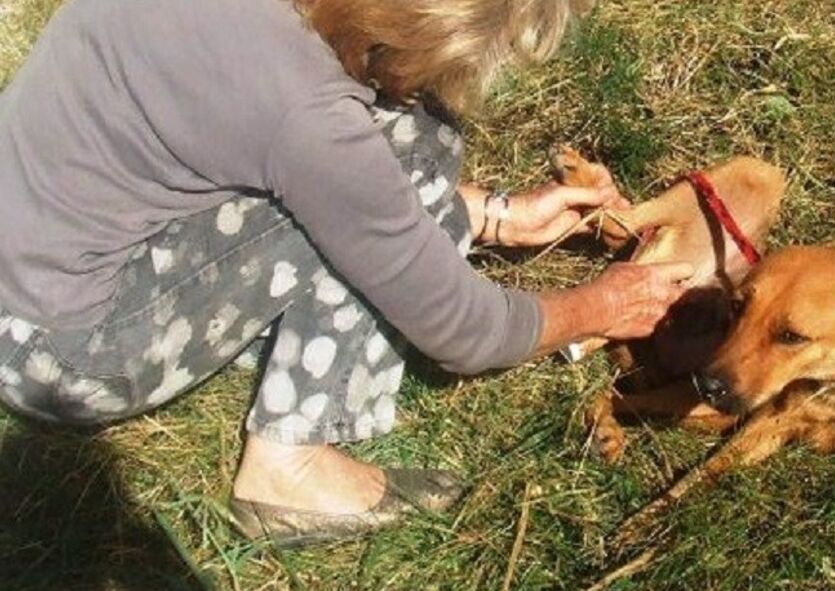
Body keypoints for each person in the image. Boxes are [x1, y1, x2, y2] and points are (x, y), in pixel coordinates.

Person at [0, 0, 691, 544]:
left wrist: (495, 216)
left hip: (31, 259)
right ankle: (290, 466)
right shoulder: (304, 113)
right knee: (415, 143)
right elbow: (463, 329)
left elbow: (220, 132)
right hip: (62, 352)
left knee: (381, 159)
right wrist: (601, 303)